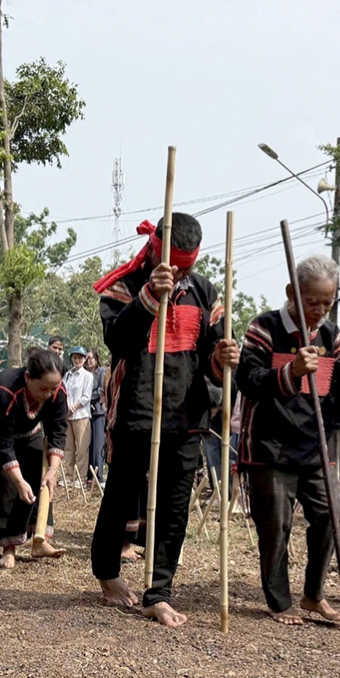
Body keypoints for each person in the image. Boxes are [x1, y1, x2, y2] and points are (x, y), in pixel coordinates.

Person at [90, 214, 240, 628]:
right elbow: (117, 342)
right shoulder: (124, 286)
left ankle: (158, 592)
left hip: (186, 414)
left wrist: (222, 361)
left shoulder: (206, 293)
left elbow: (212, 362)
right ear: (156, 249)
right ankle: (107, 573)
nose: (181, 274)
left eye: (187, 267)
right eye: (176, 266)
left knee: (175, 507)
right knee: (121, 495)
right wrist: (150, 301)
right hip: (136, 409)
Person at [236, 255, 340, 625]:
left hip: (314, 445)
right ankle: (279, 601)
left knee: (330, 516)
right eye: (311, 301)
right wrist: (291, 371)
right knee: (276, 527)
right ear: (291, 293)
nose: (319, 310)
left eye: (327, 302)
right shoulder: (264, 329)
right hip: (269, 447)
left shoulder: (332, 337)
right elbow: (248, 379)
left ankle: (313, 594)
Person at [0, 348, 69, 567]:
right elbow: (4, 443)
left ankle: (39, 540)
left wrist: (52, 471)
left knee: (39, 479)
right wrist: (18, 481)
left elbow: (57, 431)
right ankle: (8, 547)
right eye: (43, 388)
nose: (48, 394)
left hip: (29, 431)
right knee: (6, 483)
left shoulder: (58, 392)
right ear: (28, 378)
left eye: (53, 388)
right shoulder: (5, 390)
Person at [62, 345, 94, 486]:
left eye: (80, 357)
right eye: (75, 357)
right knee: (69, 447)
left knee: (82, 448)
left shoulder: (87, 376)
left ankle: (80, 477)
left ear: (85, 359)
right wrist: (67, 406)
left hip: (81, 415)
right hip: (68, 415)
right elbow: (64, 392)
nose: (77, 360)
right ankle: (69, 476)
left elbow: (87, 396)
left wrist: (74, 407)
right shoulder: (67, 375)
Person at [86, 349, 106, 482]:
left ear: (96, 359)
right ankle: (89, 473)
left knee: (98, 443)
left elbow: (100, 390)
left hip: (98, 411)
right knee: (89, 443)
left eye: (91, 358)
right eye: (86, 359)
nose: (89, 361)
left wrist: (88, 398)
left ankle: (98, 474)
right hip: (86, 411)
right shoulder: (84, 374)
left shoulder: (101, 372)